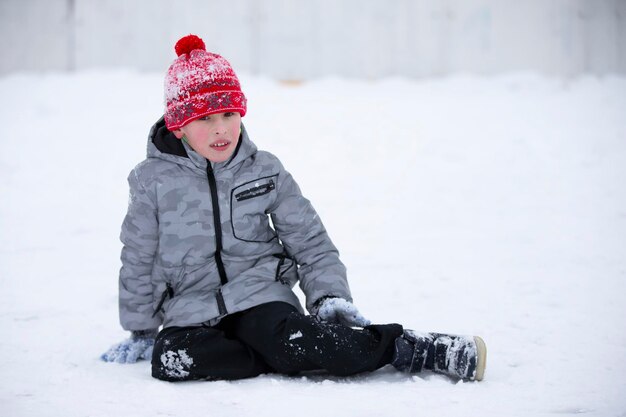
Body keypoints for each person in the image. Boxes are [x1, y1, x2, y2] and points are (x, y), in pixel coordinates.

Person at [101, 34, 487, 382]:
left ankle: (413, 348)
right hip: (190, 310)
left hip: (259, 296)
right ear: (178, 125)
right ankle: (273, 356)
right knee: (169, 362)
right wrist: (141, 328)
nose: (221, 129)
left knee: (303, 342)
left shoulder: (264, 170)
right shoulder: (151, 181)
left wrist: (326, 296)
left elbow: (309, 239)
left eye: (229, 114)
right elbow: (138, 257)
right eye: (205, 118)